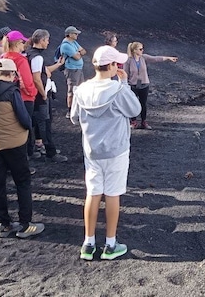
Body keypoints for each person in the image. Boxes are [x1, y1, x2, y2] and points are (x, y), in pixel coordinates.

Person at [70, 45, 141, 261]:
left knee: (93, 193)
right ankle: (110, 243)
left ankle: (88, 242)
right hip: (116, 150)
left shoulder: (81, 90)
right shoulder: (118, 90)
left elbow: (74, 117)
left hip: (92, 151)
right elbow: (135, 110)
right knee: (112, 194)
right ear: (109, 66)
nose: (118, 67)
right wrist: (124, 83)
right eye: (116, 64)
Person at [0, 57, 45, 239]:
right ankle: (25, 224)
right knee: (22, 181)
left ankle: (2, 224)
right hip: (15, 143)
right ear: (12, 74)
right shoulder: (12, 91)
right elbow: (23, 117)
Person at [26, 29, 67, 163]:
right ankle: (51, 152)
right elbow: (37, 78)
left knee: (35, 123)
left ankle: (31, 150)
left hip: (34, 95)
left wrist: (58, 64)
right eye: (47, 40)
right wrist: (43, 95)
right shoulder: (37, 57)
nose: (48, 43)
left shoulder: (29, 53)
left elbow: (44, 71)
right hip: (40, 95)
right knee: (45, 123)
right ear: (42, 40)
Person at [0, 30, 38, 163]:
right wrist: (33, 93)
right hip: (24, 99)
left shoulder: (2, 57)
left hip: (5, 99)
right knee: (24, 130)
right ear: (16, 44)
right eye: (22, 42)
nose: (24, 44)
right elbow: (27, 81)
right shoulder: (20, 59)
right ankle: (23, 161)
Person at [124, 42, 178, 130]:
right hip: (133, 85)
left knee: (143, 103)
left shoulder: (144, 57)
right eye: (140, 49)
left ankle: (143, 121)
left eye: (142, 49)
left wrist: (168, 58)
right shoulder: (128, 60)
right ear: (134, 50)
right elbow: (125, 73)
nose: (142, 50)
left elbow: (155, 59)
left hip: (144, 84)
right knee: (133, 103)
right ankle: (133, 121)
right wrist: (126, 84)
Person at [60, 26, 86, 117]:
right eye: (75, 33)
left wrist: (78, 53)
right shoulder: (66, 45)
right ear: (70, 34)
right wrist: (78, 53)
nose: (77, 35)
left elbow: (83, 51)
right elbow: (78, 56)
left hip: (78, 69)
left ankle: (78, 109)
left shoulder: (74, 42)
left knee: (80, 89)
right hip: (72, 70)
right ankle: (70, 111)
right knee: (72, 90)